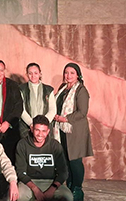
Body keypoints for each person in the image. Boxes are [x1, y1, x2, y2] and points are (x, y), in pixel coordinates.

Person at [53, 63, 93, 201]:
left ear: (78, 75)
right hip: (61, 129)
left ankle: (77, 190)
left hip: (74, 130)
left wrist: (65, 118)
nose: (68, 75)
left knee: (75, 161)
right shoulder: (62, 88)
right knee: (65, 161)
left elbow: (82, 112)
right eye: (66, 72)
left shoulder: (81, 90)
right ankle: (69, 187)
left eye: (72, 73)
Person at [15, 115, 73, 201]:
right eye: (37, 130)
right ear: (32, 129)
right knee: (19, 195)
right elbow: (20, 171)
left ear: (48, 131)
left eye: (43, 131)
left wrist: (52, 189)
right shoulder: (22, 144)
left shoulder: (55, 145)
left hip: (51, 182)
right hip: (29, 182)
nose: (40, 134)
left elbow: (63, 172)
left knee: (68, 196)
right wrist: (35, 189)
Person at [19, 63, 55, 139]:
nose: (33, 76)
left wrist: (43, 125)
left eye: (35, 73)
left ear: (40, 74)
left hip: (45, 128)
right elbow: (21, 109)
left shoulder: (49, 90)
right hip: (27, 127)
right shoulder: (21, 89)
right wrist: (31, 124)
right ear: (27, 74)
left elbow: (52, 109)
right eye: (30, 73)